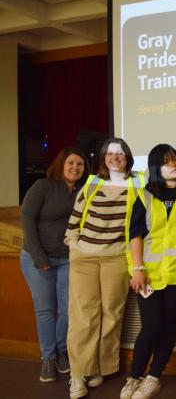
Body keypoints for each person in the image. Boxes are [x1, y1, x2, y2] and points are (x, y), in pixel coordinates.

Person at [119, 144, 176, 399]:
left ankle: (154, 377)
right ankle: (134, 376)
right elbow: (134, 234)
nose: (173, 164)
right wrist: (138, 269)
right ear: (156, 167)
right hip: (148, 274)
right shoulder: (144, 196)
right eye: (166, 161)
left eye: (175, 158)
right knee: (151, 325)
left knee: (168, 325)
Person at [64, 137, 145, 399]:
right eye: (110, 153)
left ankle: (98, 366)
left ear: (128, 157)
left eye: (120, 153)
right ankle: (78, 373)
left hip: (116, 258)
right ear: (103, 158)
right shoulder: (91, 183)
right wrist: (74, 246)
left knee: (111, 313)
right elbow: (75, 220)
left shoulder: (138, 184)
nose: (115, 157)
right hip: (84, 257)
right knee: (83, 315)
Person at [20, 147, 89, 383]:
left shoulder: (84, 190)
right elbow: (27, 218)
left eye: (80, 164)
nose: (75, 168)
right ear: (61, 164)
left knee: (68, 309)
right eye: (71, 163)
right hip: (37, 258)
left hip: (69, 258)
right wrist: (39, 257)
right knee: (46, 310)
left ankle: (61, 353)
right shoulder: (43, 186)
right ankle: (47, 358)